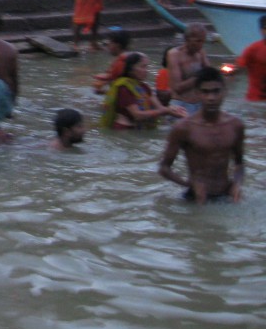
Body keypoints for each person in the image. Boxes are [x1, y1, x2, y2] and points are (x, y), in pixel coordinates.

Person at [159, 67, 244, 204]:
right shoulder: (183, 128)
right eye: (205, 92)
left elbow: (239, 164)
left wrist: (237, 184)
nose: (211, 98)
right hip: (195, 199)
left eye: (216, 91)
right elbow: (164, 168)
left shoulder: (235, 125)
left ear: (224, 92)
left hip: (226, 195)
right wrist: (188, 184)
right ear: (197, 93)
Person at [101, 51, 185, 130]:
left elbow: (160, 108)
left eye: (146, 66)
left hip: (139, 129)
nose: (146, 70)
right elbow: (137, 115)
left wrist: (174, 110)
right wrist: (165, 111)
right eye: (142, 66)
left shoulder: (145, 87)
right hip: (123, 130)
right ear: (131, 69)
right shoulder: (123, 87)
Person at [165, 23, 209, 114]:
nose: (201, 45)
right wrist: (200, 77)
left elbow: (210, 75)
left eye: (203, 42)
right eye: (198, 41)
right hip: (181, 105)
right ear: (187, 39)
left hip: (199, 104)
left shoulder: (201, 53)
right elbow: (177, 87)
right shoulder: (174, 54)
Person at [92, 29, 131, 94]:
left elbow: (119, 91)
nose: (108, 46)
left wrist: (102, 91)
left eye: (110, 43)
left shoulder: (120, 62)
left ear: (117, 45)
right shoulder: (132, 57)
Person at [237, 14, 266, 101]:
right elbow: (239, 67)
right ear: (261, 30)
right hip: (255, 99)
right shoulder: (252, 49)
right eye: (265, 28)